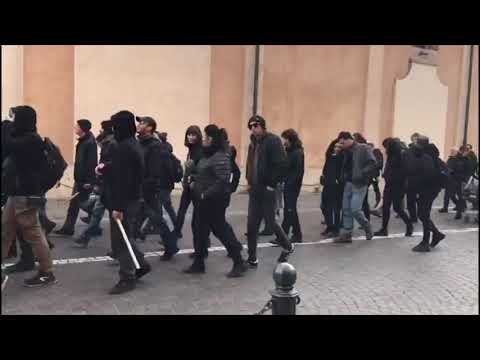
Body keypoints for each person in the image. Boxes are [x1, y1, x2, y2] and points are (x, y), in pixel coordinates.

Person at [1, 105, 57, 287]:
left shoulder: (31, 139)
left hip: (25, 194)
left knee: (33, 232)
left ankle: (47, 272)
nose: (12, 121)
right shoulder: (24, 136)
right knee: (5, 229)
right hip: (16, 193)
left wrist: (6, 127)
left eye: (15, 117)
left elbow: (9, 145)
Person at [184, 125, 247, 277]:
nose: (203, 140)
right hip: (202, 199)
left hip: (214, 200)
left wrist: (206, 194)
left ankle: (239, 262)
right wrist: (193, 176)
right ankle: (199, 263)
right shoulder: (207, 155)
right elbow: (204, 174)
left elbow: (222, 180)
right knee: (199, 230)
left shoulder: (220, 156)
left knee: (220, 230)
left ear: (211, 139)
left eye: (205, 137)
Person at [107, 110, 151, 295]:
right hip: (132, 197)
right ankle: (140, 263)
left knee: (120, 241)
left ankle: (127, 277)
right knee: (126, 235)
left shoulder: (123, 147)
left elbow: (123, 180)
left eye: (115, 126)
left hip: (124, 200)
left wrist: (118, 207)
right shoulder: (133, 144)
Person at [245, 115, 294, 266]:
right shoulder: (253, 144)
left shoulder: (273, 141)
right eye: (250, 126)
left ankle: (288, 246)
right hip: (255, 188)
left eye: (255, 125)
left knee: (270, 222)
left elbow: (281, 164)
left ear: (262, 126)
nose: (253, 128)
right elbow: (250, 163)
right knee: (251, 225)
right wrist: (249, 180)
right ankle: (252, 257)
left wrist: (271, 184)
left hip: (268, 188)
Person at [136, 116, 179, 260]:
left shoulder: (154, 146)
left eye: (142, 123)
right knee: (136, 221)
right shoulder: (140, 143)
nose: (139, 125)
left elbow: (154, 172)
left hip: (149, 191)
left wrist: (145, 190)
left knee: (157, 220)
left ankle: (171, 247)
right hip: (140, 189)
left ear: (150, 128)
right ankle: (124, 249)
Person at [73, 121, 116, 248]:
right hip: (104, 183)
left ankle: (122, 247)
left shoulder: (111, 143)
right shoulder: (105, 142)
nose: (100, 131)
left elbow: (108, 163)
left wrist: (93, 179)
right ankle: (86, 237)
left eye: (102, 129)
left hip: (111, 185)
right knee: (97, 212)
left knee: (116, 220)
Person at [55, 119, 98, 236]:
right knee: (74, 204)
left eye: (77, 126)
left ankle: (96, 218)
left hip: (84, 180)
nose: (75, 127)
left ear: (82, 129)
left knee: (81, 203)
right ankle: (68, 228)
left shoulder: (89, 143)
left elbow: (91, 163)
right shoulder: (84, 141)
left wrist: (89, 180)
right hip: (79, 179)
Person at [334, 131, 377, 243]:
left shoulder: (363, 148)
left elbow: (372, 163)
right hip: (348, 182)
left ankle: (367, 227)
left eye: (343, 143)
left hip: (359, 183)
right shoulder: (344, 150)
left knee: (355, 209)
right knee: (346, 209)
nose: (341, 145)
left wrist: (362, 173)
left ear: (349, 139)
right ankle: (347, 234)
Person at [404, 136, 445, 252]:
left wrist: (418, 189)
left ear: (419, 144)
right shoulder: (428, 154)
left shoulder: (426, 156)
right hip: (429, 189)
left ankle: (426, 241)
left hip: (428, 189)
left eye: (416, 143)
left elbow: (426, 175)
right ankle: (436, 235)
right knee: (423, 215)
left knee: (423, 215)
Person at [373, 137, 413, 237]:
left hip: (398, 186)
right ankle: (384, 229)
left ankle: (409, 225)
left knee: (397, 208)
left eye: (386, 146)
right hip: (390, 184)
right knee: (386, 207)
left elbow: (404, 171)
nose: (385, 149)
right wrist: (386, 174)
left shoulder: (401, 155)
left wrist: (390, 176)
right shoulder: (392, 155)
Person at [175, 125, 204, 239]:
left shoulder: (199, 150)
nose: (191, 137)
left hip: (196, 187)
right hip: (188, 186)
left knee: (197, 219)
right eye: (189, 134)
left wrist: (192, 176)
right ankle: (175, 234)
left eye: (193, 135)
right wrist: (185, 178)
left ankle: (203, 243)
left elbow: (201, 169)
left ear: (198, 136)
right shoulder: (191, 149)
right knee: (181, 211)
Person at [277, 128, 304, 243]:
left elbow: (298, 171)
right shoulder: (289, 151)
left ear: (290, 139)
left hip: (292, 185)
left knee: (291, 209)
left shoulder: (297, 152)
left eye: (285, 139)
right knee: (289, 210)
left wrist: (288, 183)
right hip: (288, 184)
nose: (284, 141)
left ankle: (297, 234)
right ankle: (283, 235)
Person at [320, 141, 344, 236]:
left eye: (339, 147)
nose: (336, 148)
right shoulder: (330, 157)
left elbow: (342, 171)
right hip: (327, 184)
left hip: (337, 186)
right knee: (325, 206)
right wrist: (323, 177)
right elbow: (325, 169)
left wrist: (339, 180)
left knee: (336, 208)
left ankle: (336, 229)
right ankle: (329, 226)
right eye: (335, 147)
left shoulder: (342, 158)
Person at [448, 145, 475, 220]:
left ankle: (459, 212)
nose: (466, 153)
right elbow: (451, 167)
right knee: (451, 195)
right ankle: (460, 207)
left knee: (461, 197)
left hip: (463, 181)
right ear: (461, 151)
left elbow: (470, 170)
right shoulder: (456, 158)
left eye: (467, 152)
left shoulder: (468, 160)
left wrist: (467, 180)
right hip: (455, 179)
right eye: (465, 152)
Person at [439, 148, 459, 213]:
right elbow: (447, 167)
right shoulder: (451, 159)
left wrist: (447, 171)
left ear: (456, 153)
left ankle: (445, 208)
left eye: (453, 151)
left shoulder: (456, 160)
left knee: (448, 195)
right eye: (451, 151)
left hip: (453, 179)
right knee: (451, 195)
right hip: (449, 179)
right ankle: (459, 205)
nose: (451, 152)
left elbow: (451, 169)